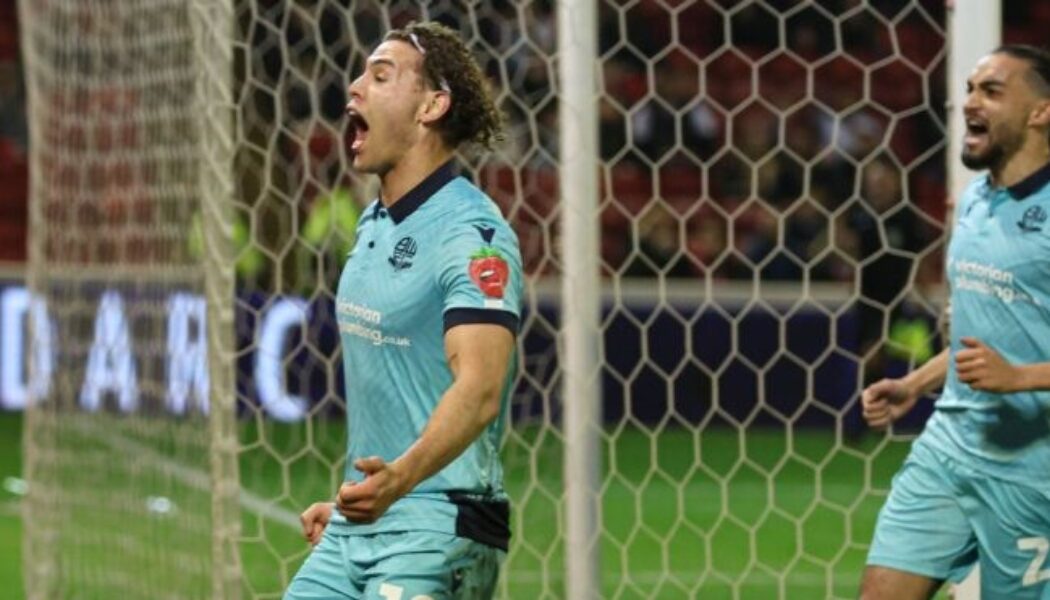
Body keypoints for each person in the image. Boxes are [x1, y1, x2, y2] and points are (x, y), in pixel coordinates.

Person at [284, 21, 522, 600]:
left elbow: (481, 388)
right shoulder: (376, 221)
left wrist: (401, 484)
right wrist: (360, 496)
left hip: (443, 524)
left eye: (381, 75)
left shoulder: (472, 234)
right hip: (363, 524)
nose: (355, 88)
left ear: (432, 105)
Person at [859, 45, 1050, 599]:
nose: (970, 101)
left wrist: (1020, 378)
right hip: (949, 448)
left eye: (992, 91)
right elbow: (984, 333)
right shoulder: (973, 202)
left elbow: (1007, 363)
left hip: (1031, 472)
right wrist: (913, 385)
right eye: (969, 89)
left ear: (1041, 112)